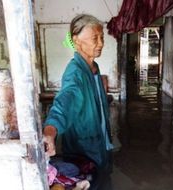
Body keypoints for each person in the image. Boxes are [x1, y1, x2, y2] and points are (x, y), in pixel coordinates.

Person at [43, 14, 114, 185]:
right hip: (84, 148)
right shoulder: (75, 73)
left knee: (104, 180)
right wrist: (51, 130)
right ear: (77, 41)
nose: (101, 43)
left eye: (102, 37)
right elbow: (65, 101)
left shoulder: (94, 67)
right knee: (90, 183)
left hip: (100, 141)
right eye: (95, 38)